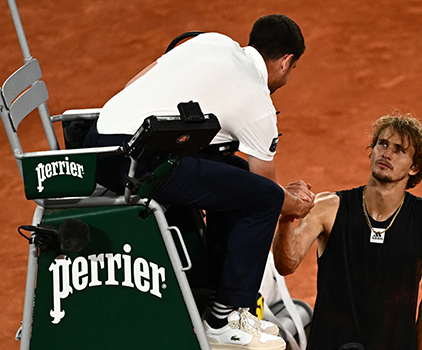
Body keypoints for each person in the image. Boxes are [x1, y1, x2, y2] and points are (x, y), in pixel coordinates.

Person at [84, 14, 315, 350]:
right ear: (286, 61)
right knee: (263, 197)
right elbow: (269, 193)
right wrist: (297, 200)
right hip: (139, 163)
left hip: (100, 142)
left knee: (233, 177)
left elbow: (139, 79)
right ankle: (225, 319)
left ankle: (218, 298)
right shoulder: (258, 101)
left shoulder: (213, 41)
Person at [273, 113, 422, 350]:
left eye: (399, 150)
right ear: (372, 149)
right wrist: (286, 217)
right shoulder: (328, 207)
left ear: (415, 167)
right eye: (382, 144)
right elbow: (287, 264)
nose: (386, 153)